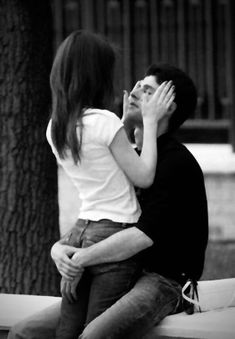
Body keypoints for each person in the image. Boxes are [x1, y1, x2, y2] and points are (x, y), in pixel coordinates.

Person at [8, 64, 208, 339]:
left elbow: (141, 236)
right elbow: (103, 215)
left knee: (93, 336)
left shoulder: (177, 163)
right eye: (137, 84)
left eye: (147, 90)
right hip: (120, 271)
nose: (135, 91)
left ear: (167, 106)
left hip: (164, 283)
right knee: (24, 332)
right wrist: (60, 249)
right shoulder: (131, 157)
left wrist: (81, 259)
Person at [46, 30, 174, 339]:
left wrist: (123, 124)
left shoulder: (55, 127)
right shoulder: (105, 121)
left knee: (68, 329)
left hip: (80, 232)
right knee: (95, 331)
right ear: (98, 75)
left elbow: (102, 161)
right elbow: (143, 176)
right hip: (113, 234)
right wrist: (151, 120)